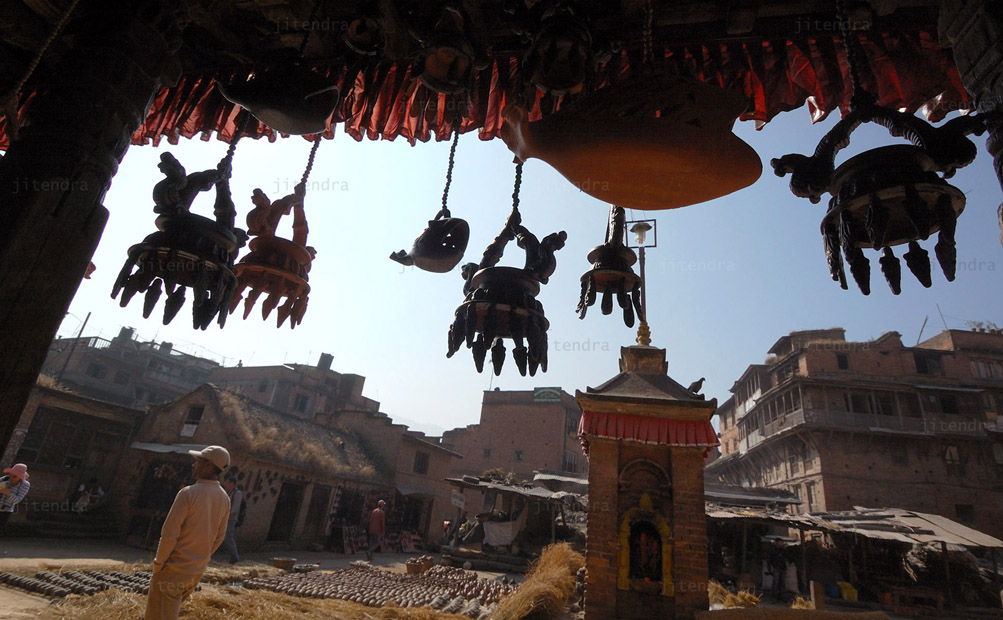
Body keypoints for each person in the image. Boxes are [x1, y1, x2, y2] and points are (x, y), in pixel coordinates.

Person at [145, 446, 230, 620]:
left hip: (173, 570)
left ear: (208, 465)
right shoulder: (224, 499)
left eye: (198, 461)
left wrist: (159, 564)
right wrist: (200, 557)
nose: (193, 465)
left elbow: (169, 535)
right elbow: (219, 537)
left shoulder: (188, 493)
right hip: (195, 572)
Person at [0, 463, 30, 534]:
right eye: (11, 474)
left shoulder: (24, 485)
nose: (11, 477)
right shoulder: (4, 479)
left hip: (5, 511)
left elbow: (17, 500)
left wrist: (8, 493)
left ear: (20, 477)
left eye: (15, 476)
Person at [220, 476, 241, 564]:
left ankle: (234, 557)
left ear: (232, 483)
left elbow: (235, 508)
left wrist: (229, 518)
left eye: (228, 482)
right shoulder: (228, 492)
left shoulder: (237, 493)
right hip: (224, 517)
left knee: (228, 537)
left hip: (230, 519)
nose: (226, 484)